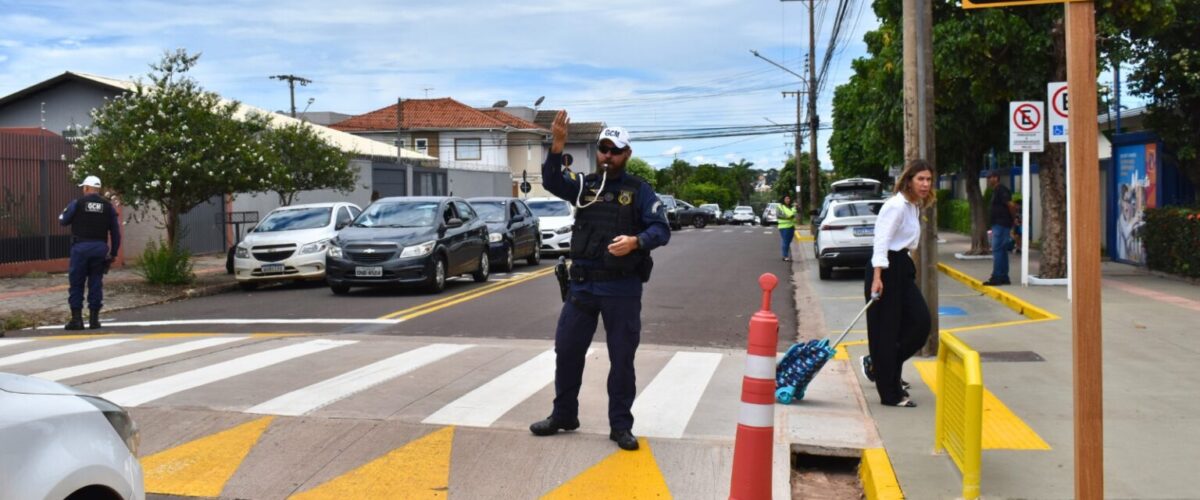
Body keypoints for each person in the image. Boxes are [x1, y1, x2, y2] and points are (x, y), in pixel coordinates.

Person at [529, 111, 671, 451]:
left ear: (627, 154)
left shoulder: (640, 191)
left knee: (621, 358)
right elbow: (552, 182)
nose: (608, 155)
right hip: (582, 286)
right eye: (603, 149)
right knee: (567, 350)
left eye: (615, 150)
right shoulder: (585, 186)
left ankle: (620, 425)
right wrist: (557, 146)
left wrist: (636, 241)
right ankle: (564, 415)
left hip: (621, 288)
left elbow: (661, 229)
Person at [860, 159, 934, 408]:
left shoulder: (913, 206)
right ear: (909, 180)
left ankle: (880, 364)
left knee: (920, 323)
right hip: (885, 269)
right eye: (920, 179)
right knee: (886, 331)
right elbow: (881, 242)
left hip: (902, 266)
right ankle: (890, 393)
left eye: (928, 179)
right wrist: (877, 277)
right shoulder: (896, 206)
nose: (925, 184)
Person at [59, 175, 121, 330]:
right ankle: (94, 320)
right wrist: (113, 253)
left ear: (86, 188)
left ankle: (77, 320)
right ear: (98, 189)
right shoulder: (108, 207)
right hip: (99, 249)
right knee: (95, 283)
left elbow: (63, 221)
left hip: (80, 249)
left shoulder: (77, 203)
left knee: (76, 283)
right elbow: (115, 232)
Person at [983, 172, 1016, 286]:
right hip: (999, 224)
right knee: (1002, 251)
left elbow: (1011, 205)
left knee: (997, 250)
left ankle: (996, 277)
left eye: (990, 178)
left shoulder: (1001, 190)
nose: (988, 180)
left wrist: (1013, 218)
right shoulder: (996, 190)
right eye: (987, 178)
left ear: (996, 178)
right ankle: (1004, 276)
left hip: (1001, 224)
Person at [777, 195, 797, 261]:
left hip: (791, 226)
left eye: (789, 198)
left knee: (788, 241)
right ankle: (785, 256)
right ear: (783, 199)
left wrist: (796, 206)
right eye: (786, 198)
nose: (788, 200)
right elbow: (778, 215)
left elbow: (797, 212)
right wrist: (788, 217)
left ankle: (785, 255)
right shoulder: (780, 206)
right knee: (785, 241)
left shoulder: (791, 206)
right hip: (784, 227)